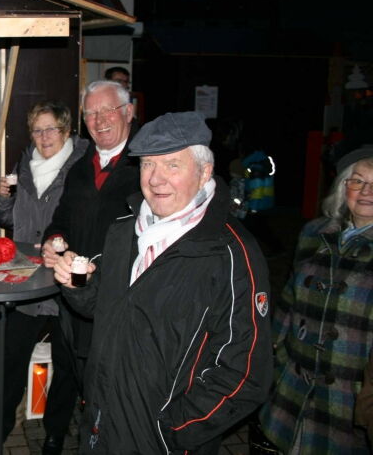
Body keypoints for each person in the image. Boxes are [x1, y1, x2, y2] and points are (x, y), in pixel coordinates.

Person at [55, 111, 273, 454]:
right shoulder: (125, 229)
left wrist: (172, 430)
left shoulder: (228, 252)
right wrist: (79, 284)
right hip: (101, 425)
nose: (155, 179)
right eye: (147, 165)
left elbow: (245, 373)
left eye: (172, 165)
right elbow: (103, 308)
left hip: (164, 440)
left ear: (203, 173)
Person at [36, 80, 140, 454]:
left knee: (105, 377)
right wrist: (54, 240)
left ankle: (99, 440)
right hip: (74, 288)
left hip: (118, 296)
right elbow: (61, 217)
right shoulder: (81, 167)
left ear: (128, 112)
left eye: (108, 110)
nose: (99, 120)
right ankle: (53, 434)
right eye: (91, 113)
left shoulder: (145, 166)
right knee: (65, 365)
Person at [259, 145, 373, 454]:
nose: (366, 191)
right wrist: (272, 354)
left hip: (350, 398)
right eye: (357, 181)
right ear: (343, 187)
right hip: (294, 385)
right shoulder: (314, 233)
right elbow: (289, 298)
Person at [0, 100, 89, 443]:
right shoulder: (25, 164)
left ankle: (54, 436)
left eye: (51, 129)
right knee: (10, 361)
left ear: (65, 131)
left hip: (65, 281)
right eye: (37, 129)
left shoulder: (82, 166)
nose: (43, 136)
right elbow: (6, 221)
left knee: (66, 367)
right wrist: (2, 197)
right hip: (27, 280)